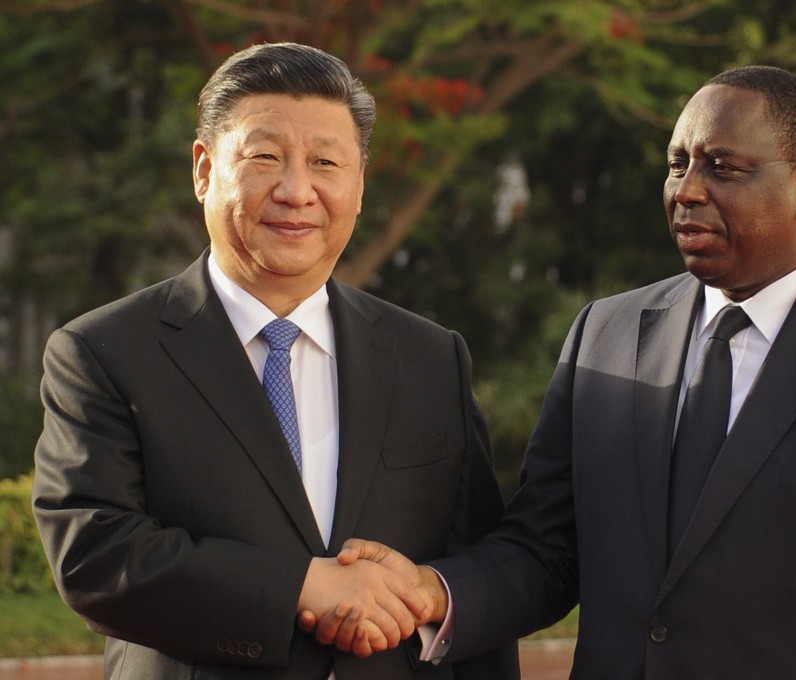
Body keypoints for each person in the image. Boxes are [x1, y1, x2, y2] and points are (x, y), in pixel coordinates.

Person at [327, 65, 796, 678]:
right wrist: (431, 590)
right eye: (677, 163)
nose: (687, 191)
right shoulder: (607, 335)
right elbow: (545, 550)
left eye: (722, 167)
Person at [32, 42, 518, 680]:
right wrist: (299, 586)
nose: (297, 191)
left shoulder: (429, 357)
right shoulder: (104, 351)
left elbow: (477, 564)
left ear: (360, 183)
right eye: (264, 157)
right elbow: (94, 553)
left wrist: (432, 591)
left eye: (325, 162)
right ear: (204, 170)